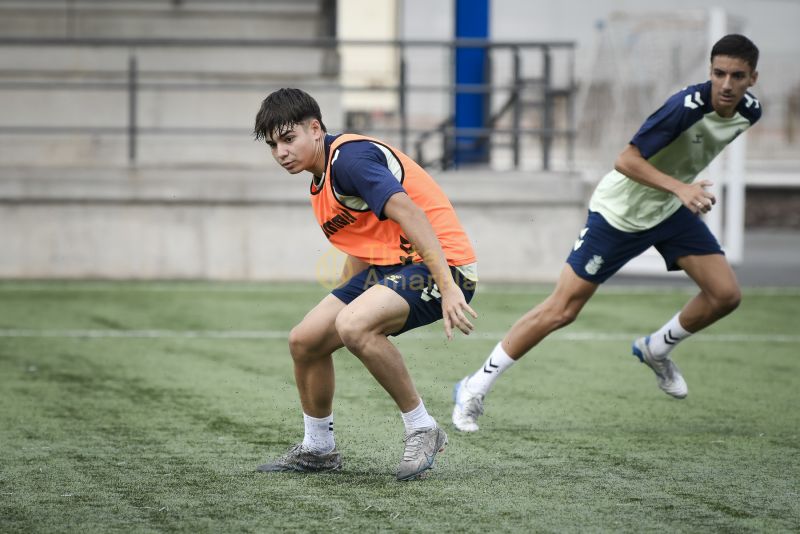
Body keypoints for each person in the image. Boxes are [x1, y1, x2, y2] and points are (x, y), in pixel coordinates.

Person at [452, 34, 762, 432]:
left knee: (725, 294)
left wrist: (679, 190)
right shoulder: (684, 107)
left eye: (737, 76)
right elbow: (626, 160)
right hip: (619, 213)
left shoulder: (750, 112)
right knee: (562, 310)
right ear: (710, 72)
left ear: (752, 79)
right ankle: (473, 387)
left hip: (668, 210)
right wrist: (680, 187)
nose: (726, 84)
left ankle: (656, 348)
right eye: (719, 73)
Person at [252, 88, 478, 479]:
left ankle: (423, 428)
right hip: (391, 267)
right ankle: (318, 449)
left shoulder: (349, 160)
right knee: (305, 340)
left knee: (354, 325)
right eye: (273, 145)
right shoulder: (321, 179)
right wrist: (341, 301)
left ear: (315, 129)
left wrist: (449, 285)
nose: (281, 152)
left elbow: (411, 213)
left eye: (288, 139)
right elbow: (364, 240)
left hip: (444, 264)